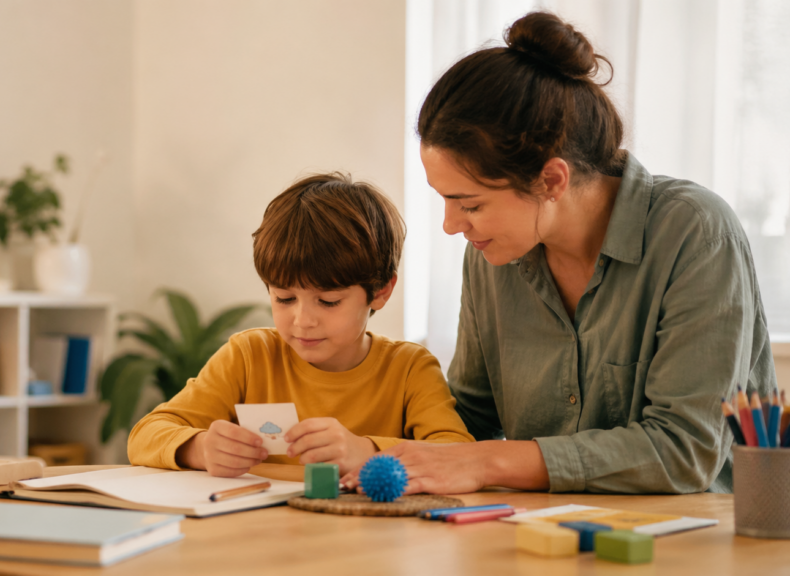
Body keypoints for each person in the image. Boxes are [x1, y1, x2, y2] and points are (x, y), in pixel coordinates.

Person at [344, 11, 776, 495]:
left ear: (551, 179)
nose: (450, 225)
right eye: (445, 200)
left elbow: (686, 451)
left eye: (470, 204)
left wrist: (487, 462)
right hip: (544, 537)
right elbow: (468, 422)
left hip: (697, 546)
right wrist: (363, 444)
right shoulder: (492, 258)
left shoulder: (695, 234)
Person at [127, 173, 474, 477]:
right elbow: (145, 435)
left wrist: (366, 452)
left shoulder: (409, 370)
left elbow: (458, 456)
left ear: (381, 291)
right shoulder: (248, 357)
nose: (302, 321)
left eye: (328, 302)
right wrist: (199, 448)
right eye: (284, 298)